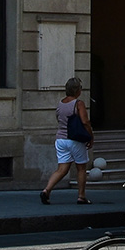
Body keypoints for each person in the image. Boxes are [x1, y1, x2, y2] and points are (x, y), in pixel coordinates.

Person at [41, 76, 93, 204]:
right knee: (81, 168)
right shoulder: (78, 103)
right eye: (80, 88)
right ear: (77, 90)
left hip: (60, 140)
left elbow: (59, 119)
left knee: (62, 169)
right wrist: (91, 136)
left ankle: (46, 191)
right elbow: (85, 121)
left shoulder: (61, 103)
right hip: (75, 139)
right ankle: (81, 196)